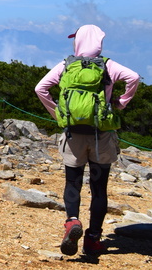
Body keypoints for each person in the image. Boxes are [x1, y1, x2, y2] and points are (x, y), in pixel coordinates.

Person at [35, 24, 139, 256]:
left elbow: (40, 88)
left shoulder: (66, 65)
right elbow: (133, 77)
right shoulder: (108, 66)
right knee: (99, 188)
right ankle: (93, 239)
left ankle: (72, 221)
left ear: (78, 41)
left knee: (73, 183)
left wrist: (58, 113)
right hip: (101, 135)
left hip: (73, 136)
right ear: (99, 42)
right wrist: (120, 102)